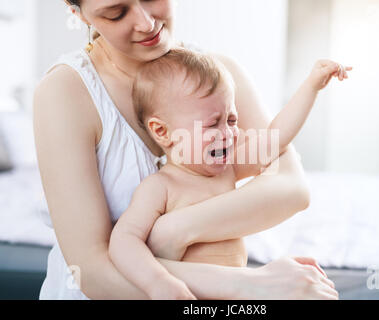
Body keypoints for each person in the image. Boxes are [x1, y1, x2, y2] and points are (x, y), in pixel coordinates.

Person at [34, 0, 343, 300]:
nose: (145, 23)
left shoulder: (217, 78)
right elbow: (94, 272)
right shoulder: (65, 92)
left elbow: (288, 176)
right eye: (116, 13)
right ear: (79, 13)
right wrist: (252, 286)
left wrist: (174, 230)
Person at [109, 48, 350, 299]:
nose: (228, 133)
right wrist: (158, 282)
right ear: (162, 131)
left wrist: (311, 86)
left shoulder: (229, 167)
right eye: (213, 124)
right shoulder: (160, 186)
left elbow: (276, 138)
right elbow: (124, 240)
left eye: (232, 120)